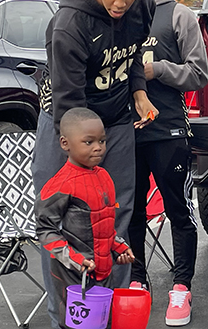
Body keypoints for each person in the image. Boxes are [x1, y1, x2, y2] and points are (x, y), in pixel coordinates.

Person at [31, 0, 157, 328]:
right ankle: (66, 318)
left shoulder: (144, 6)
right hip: (66, 125)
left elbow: (135, 55)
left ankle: (110, 314)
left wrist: (138, 91)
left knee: (113, 217)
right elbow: (70, 103)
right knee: (67, 223)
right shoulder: (70, 23)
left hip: (116, 122)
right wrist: (83, 158)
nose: (121, 3)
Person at [126, 0, 208, 326]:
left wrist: (157, 69)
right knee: (132, 213)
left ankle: (181, 287)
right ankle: (138, 281)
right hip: (123, 132)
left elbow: (199, 73)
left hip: (168, 129)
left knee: (178, 209)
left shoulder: (179, 14)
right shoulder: (118, 11)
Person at [36, 108, 136, 329]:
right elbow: (44, 229)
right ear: (65, 144)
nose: (98, 147)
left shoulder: (104, 177)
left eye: (102, 140)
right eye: (88, 142)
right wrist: (74, 258)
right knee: (77, 325)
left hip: (103, 269)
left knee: (104, 321)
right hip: (72, 274)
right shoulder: (60, 184)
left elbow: (105, 224)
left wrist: (118, 247)